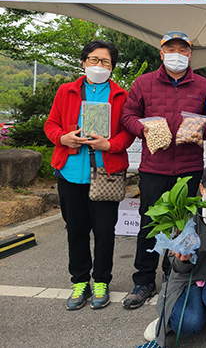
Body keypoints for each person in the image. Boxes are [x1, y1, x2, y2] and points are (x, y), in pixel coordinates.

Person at [121, 31, 206, 309]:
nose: (177, 54)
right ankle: (144, 279)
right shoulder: (143, 83)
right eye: (170, 49)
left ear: (190, 55)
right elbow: (128, 115)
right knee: (149, 224)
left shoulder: (203, 85)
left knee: (186, 225)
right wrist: (145, 129)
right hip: (154, 167)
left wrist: (200, 130)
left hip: (189, 167)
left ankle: (174, 271)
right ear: (161, 54)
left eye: (183, 50)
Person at [44, 40, 135, 310]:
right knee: (76, 229)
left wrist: (111, 144)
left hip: (106, 172)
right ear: (83, 62)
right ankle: (80, 281)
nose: (98, 65)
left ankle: (101, 281)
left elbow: (128, 131)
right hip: (70, 173)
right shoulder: (67, 91)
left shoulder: (122, 95)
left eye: (105, 62)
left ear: (112, 67)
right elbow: (51, 124)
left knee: (105, 231)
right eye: (93, 60)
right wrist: (63, 137)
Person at [137, 162, 206, 348]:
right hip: (189, 276)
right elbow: (176, 266)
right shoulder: (185, 213)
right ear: (201, 188)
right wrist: (184, 259)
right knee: (188, 324)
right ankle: (168, 318)